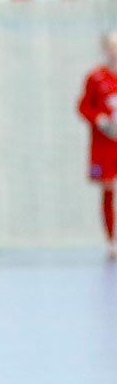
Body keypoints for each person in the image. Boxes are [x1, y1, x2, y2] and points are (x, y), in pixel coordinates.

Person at [77, 30, 117, 261]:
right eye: (111, 45)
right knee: (109, 188)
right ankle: (111, 240)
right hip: (105, 145)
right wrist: (99, 119)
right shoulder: (95, 78)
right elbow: (83, 106)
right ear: (104, 48)